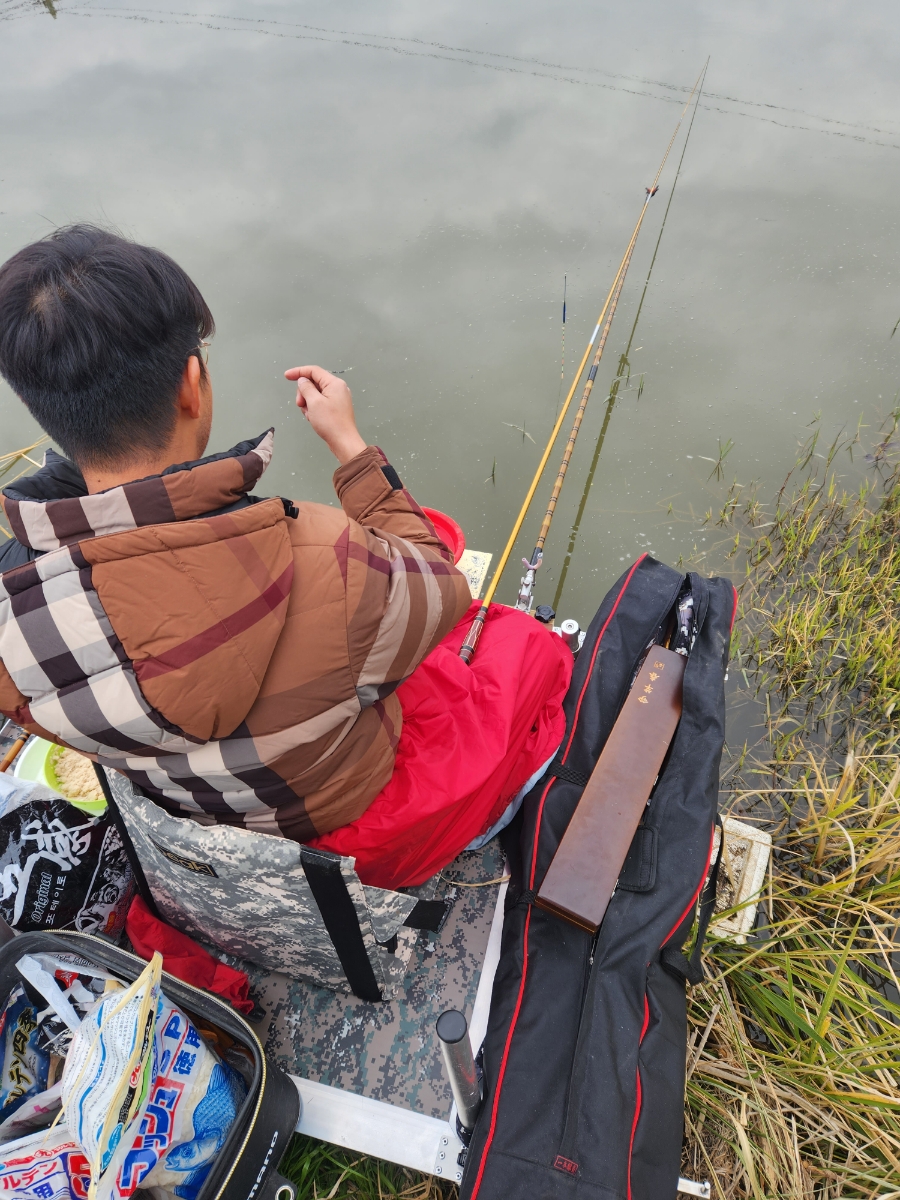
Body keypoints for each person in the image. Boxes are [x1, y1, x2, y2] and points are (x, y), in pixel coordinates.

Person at [0, 225, 571, 889]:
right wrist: (351, 448)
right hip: (355, 822)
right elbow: (445, 592)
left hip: (214, 824)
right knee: (529, 650)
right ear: (192, 384)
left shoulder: (17, 601)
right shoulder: (321, 552)